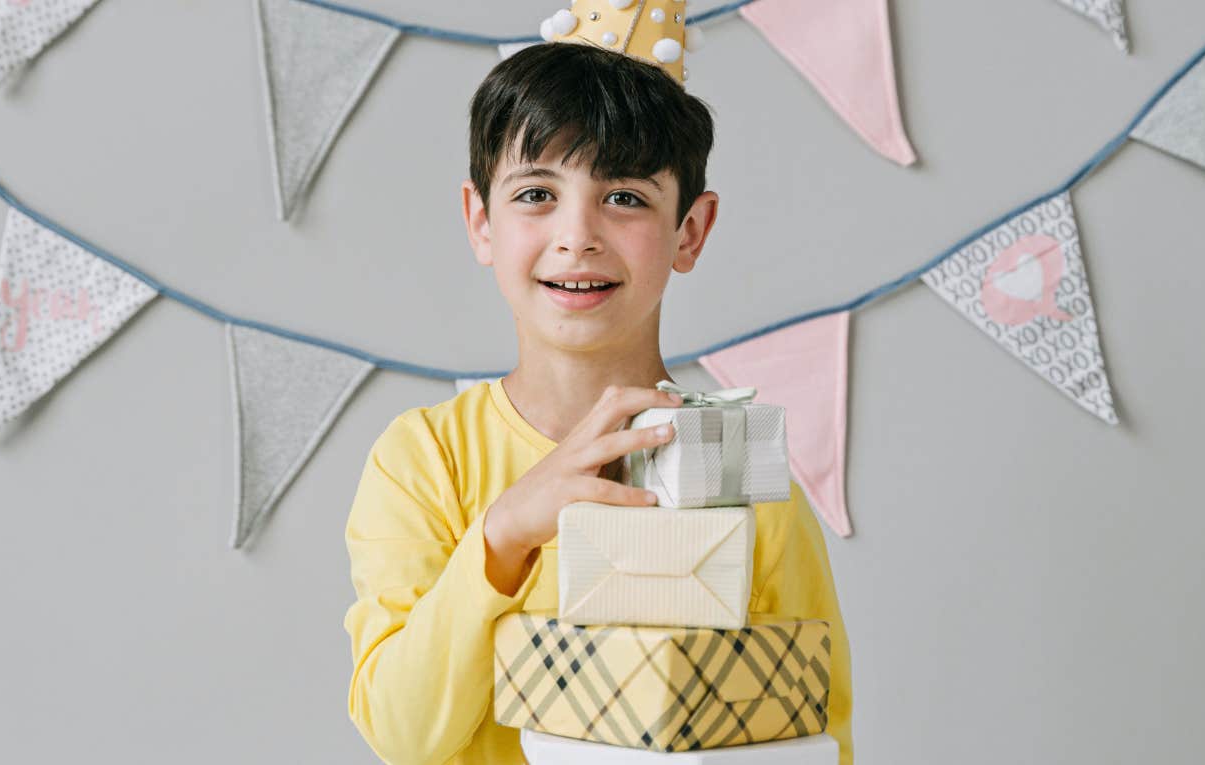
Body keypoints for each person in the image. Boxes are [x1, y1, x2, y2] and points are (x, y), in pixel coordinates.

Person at [343, 40, 853, 765]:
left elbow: (820, 726)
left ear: (691, 230)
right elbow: (402, 733)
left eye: (624, 197)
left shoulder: (741, 473)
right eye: (535, 195)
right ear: (480, 219)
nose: (577, 236)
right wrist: (506, 532)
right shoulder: (425, 459)